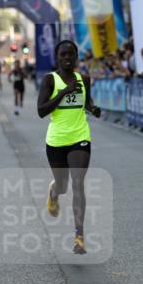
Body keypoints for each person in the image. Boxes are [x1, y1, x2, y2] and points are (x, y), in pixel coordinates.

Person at [37, 39, 102, 255]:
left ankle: (79, 236)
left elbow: (86, 102)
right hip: (56, 140)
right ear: (57, 58)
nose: (67, 58)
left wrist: (93, 109)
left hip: (80, 137)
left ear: (76, 57)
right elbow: (41, 110)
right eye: (63, 54)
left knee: (78, 183)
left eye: (71, 54)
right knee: (64, 186)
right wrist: (64, 92)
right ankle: (54, 191)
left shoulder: (84, 79)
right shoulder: (50, 80)